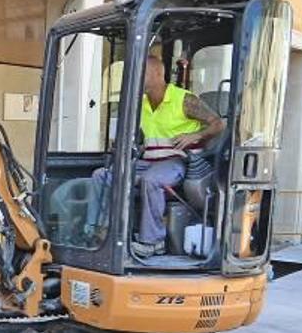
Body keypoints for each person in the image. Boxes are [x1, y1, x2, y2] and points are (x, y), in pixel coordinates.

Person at [87, 55, 224, 257]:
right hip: (150, 161)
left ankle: (153, 242)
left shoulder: (183, 99)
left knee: (152, 180)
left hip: (177, 162)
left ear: (158, 74)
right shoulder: (141, 104)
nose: (137, 76)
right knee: (102, 175)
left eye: (143, 72)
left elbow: (219, 123)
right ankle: (100, 232)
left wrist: (195, 135)